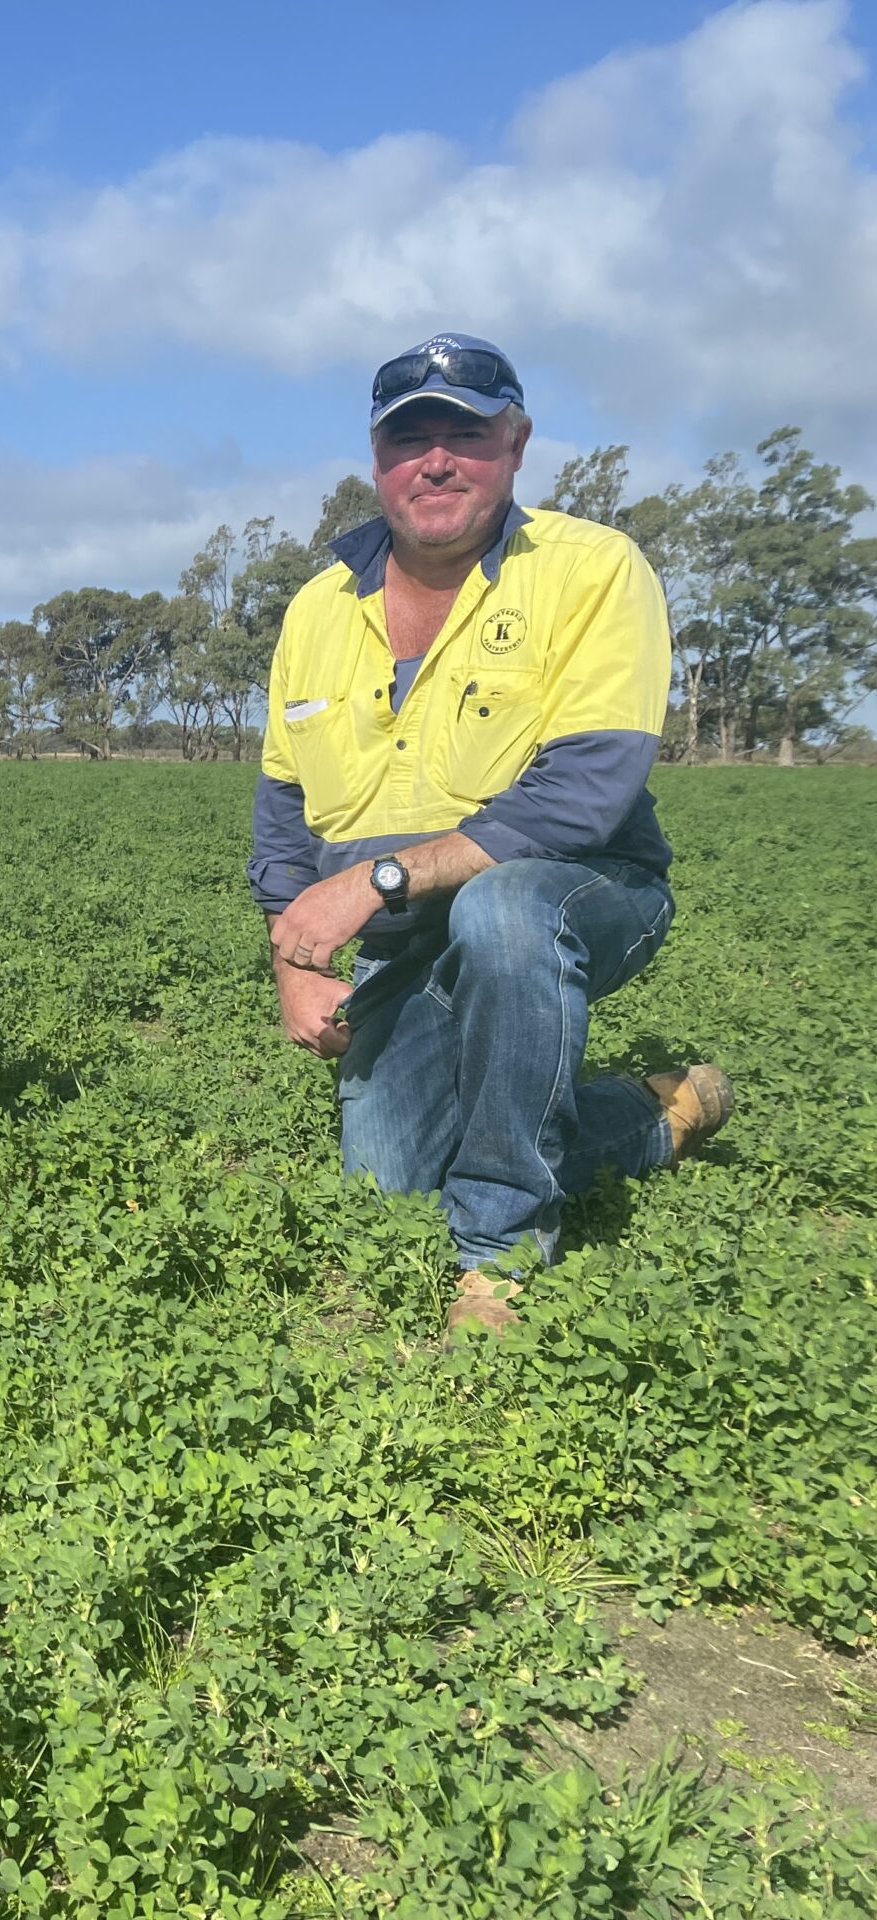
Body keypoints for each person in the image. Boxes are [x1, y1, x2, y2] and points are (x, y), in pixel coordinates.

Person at [249, 333, 729, 1333]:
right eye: (406, 438)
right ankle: (646, 1114)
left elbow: (584, 795)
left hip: (581, 888)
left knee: (504, 913)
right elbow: (282, 814)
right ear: (376, 463)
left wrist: (371, 882)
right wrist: (293, 960)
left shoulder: (591, 571)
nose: (434, 460)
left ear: (513, 444)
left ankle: (498, 1252)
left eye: (461, 434)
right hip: (406, 931)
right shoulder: (315, 610)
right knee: (390, 1192)